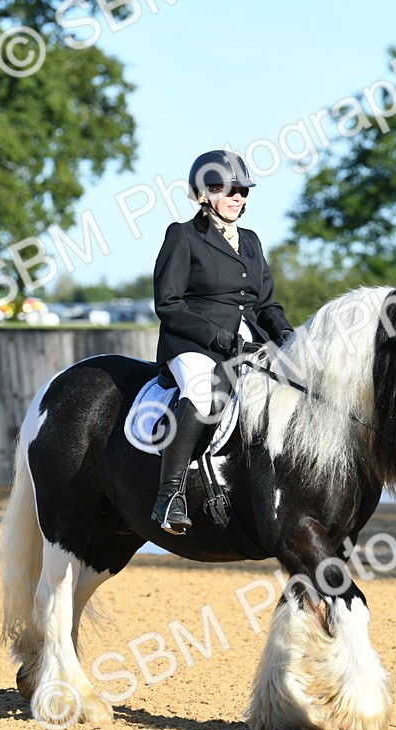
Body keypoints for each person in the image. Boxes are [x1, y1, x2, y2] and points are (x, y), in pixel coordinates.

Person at [151, 150, 295, 534]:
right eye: (225, 189)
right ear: (202, 194)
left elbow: (265, 303)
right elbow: (168, 303)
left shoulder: (250, 240)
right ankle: (169, 496)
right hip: (193, 342)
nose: (237, 197)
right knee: (201, 393)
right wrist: (216, 337)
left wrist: (286, 334)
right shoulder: (182, 235)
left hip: (248, 340)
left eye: (243, 191)